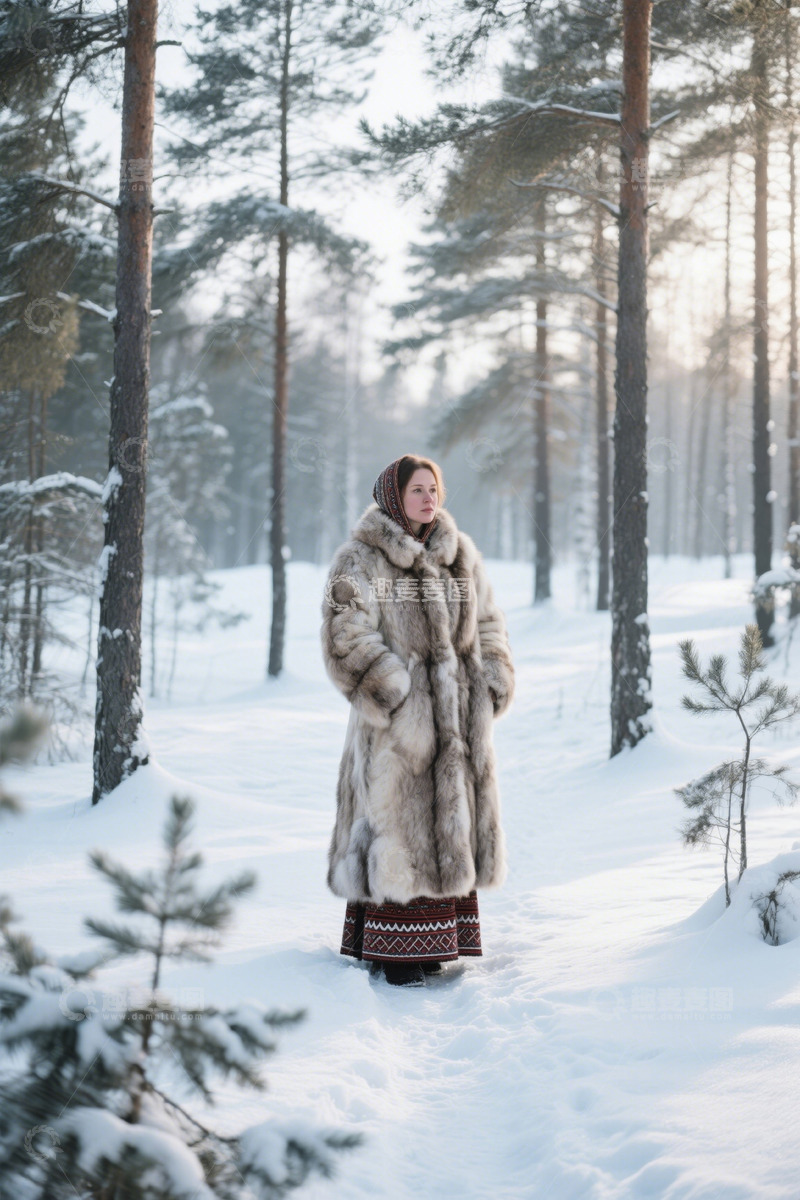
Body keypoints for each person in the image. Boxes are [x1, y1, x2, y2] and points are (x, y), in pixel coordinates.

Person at [320, 453, 515, 987]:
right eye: (416, 491)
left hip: (457, 724)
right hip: (395, 732)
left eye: (434, 489)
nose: (429, 498)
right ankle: (393, 949)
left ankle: (436, 943)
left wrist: (492, 679)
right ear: (393, 497)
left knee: (448, 820)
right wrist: (395, 692)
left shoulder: (460, 557)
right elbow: (346, 634)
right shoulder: (360, 559)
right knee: (395, 823)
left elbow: (490, 622)